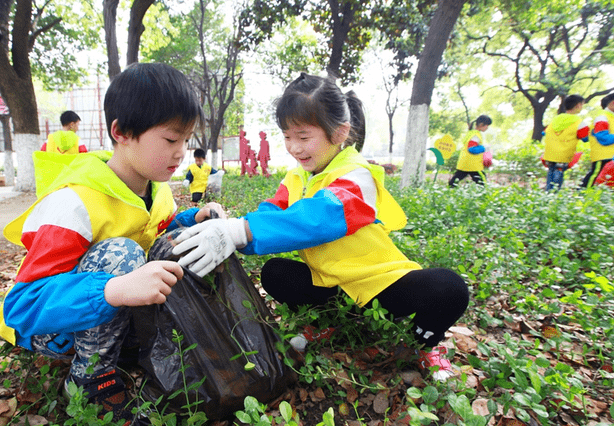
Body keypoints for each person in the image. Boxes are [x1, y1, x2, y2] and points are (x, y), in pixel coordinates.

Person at [171, 73, 470, 381]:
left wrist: (240, 230)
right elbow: (271, 212)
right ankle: (337, 321)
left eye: (303, 137)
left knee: (449, 288)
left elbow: (321, 218)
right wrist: (228, 226)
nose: (294, 148)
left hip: (380, 285)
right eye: (287, 136)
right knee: (275, 272)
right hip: (330, 285)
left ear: (339, 133)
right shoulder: (296, 178)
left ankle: (422, 346)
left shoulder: (358, 177)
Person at [1, 63, 223, 425]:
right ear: (121, 132)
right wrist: (112, 289)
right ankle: (90, 378)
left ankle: (132, 346)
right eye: (170, 140)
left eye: (186, 140)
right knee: (123, 255)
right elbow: (21, 308)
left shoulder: (158, 191)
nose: (181, 152)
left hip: (112, 317)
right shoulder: (75, 204)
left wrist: (192, 220)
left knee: (178, 244)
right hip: (55, 329)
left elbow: (155, 232)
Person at [581, 89, 614, 188]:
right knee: (595, 175)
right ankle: (582, 193)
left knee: (609, 179)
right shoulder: (602, 117)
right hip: (602, 156)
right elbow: (602, 137)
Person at [541, 95, 590, 191]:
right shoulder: (579, 122)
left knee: (550, 175)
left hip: (550, 154)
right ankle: (553, 197)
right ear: (578, 105)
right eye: (582, 105)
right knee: (557, 178)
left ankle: (548, 195)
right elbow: (585, 138)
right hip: (563, 155)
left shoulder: (555, 119)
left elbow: (543, 132)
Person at [448, 115, 492, 187]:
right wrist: (484, 148)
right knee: (482, 183)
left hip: (465, 162)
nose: (487, 128)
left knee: (455, 180)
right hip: (473, 164)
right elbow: (471, 149)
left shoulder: (471, 132)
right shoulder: (475, 135)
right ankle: (484, 196)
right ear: (481, 125)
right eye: (487, 125)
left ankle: (449, 190)